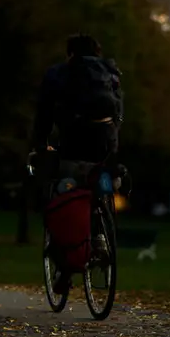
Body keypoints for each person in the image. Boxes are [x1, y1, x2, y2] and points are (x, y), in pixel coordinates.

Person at [31, 33, 125, 294]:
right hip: (105, 141)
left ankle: (65, 267)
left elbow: (44, 113)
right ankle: (101, 235)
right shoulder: (111, 72)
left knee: (64, 191)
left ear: (70, 53)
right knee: (100, 184)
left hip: (73, 141)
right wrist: (113, 140)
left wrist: (41, 144)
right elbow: (118, 112)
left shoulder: (59, 73)